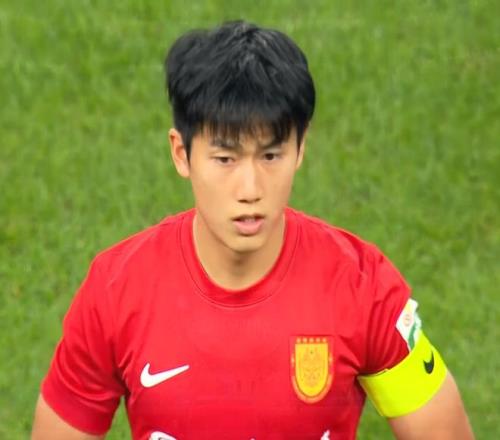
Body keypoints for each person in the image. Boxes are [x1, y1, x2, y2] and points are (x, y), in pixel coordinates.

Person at [31, 20, 474, 440]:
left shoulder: (362, 288)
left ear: (301, 147)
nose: (250, 190)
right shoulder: (116, 290)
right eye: (225, 159)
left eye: (271, 156)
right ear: (181, 153)